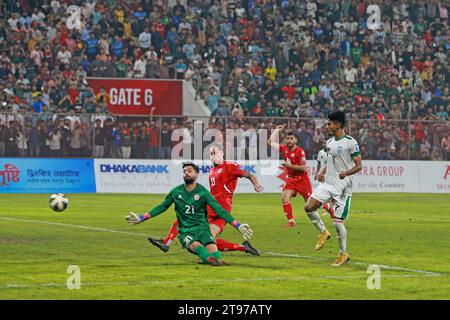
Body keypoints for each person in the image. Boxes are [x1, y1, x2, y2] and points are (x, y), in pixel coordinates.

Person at [125, 162, 254, 266]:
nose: (186, 173)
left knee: (215, 254)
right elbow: (162, 207)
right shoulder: (176, 192)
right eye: (184, 171)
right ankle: (209, 259)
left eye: (189, 171)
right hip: (186, 231)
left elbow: (219, 210)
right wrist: (141, 217)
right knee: (197, 247)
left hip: (203, 230)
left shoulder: (203, 192)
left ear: (196, 174)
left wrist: (238, 225)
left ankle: (212, 258)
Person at [148, 145, 263, 255]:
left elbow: (250, 175)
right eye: (211, 154)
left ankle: (167, 242)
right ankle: (244, 247)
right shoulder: (213, 170)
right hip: (211, 206)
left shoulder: (231, 166)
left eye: (215, 153)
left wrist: (256, 184)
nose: (213, 156)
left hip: (222, 207)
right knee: (208, 241)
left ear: (222, 153)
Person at [304, 111, 362, 267]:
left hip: (343, 188)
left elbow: (359, 165)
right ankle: (323, 232)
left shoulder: (351, 142)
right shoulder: (329, 143)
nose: (327, 126)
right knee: (309, 207)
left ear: (338, 124)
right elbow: (330, 163)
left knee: (337, 223)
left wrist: (346, 173)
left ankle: (343, 254)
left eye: (330, 123)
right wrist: (322, 172)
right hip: (327, 184)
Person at [267, 125, 334, 227]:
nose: (289, 141)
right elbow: (270, 142)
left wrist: (289, 165)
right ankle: (291, 222)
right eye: (287, 139)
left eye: (291, 139)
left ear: (295, 140)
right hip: (291, 179)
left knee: (310, 204)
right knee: (285, 196)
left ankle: (327, 206)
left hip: (302, 180)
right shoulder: (283, 148)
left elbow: (304, 168)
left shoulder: (300, 151)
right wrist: (276, 130)